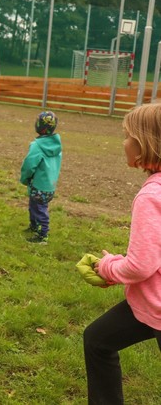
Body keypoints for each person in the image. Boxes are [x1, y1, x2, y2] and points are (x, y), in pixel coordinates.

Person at [84, 103, 161, 405]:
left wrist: (107, 267)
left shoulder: (151, 196)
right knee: (98, 340)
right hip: (148, 304)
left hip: (157, 306)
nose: (124, 143)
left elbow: (140, 266)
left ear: (145, 144)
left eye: (128, 136)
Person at [19, 111, 62, 244]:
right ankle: (34, 226)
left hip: (38, 185)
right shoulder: (57, 146)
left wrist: (24, 178)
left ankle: (43, 235)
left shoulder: (37, 146)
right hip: (50, 185)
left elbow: (29, 164)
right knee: (34, 206)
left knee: (39, 209)